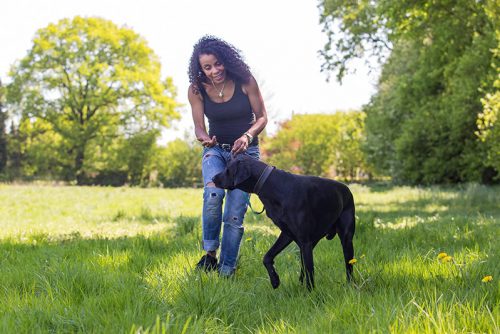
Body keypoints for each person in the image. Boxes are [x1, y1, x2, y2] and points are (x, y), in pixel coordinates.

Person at [188, 35, 268, 277]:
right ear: (200, 69)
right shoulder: (196, 91)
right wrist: (204, 139)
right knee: (213, 194)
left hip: (246, 155)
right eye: (207, 67)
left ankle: (227, 270)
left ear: (226, 60)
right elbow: (199, 127)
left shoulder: (246, 81)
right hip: (215, 150)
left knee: (234, 213)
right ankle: (210, 255)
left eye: (217, 64)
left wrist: (247, 136)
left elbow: (262, 117)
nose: (214, 71)